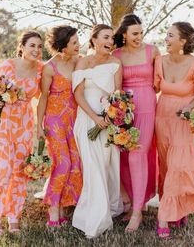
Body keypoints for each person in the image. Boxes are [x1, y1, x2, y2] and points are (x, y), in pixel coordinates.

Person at [154, 21, 194, 238]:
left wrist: (189, 107)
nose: (166, 39)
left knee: (178, 166)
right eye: (166, 34)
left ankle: (163, 219)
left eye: (170, 35)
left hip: (183, 121)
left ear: (183, 41)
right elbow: (153, 87)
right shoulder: (159, 61)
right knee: (165, 166)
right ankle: (177, 210)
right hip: (161, 119)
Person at [0, 30, 43, 236]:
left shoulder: (41, 70)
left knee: (19, 172)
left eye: (39, 46)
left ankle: (13, 215)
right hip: (3, 124)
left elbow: (44, 96)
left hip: (24, 126)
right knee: (1, 171)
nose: (36, 50)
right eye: (32, 45)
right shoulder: (5, 66)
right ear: (22, 47)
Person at [72, 24, 123, 238]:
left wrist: (111, 116)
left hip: (109, 121)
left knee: (107, 165)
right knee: (93, 167)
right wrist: (95, 118)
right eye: (105, 37)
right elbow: (78, 94)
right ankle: (95, 216)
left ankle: (111, 207)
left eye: (112, 38)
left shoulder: (116, 63)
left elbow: (118, 95)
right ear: (93, 40)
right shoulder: (83, 62)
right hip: (87, 119)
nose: (110, 42)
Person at [113, 13, 160, 232]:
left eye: (141, 32)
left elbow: (160, 82)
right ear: (124, 34)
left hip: (147, 105)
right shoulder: (116, 55)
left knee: (138, 154)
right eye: (134, 33)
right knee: (124, 155)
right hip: (124, 108)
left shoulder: (152, 51)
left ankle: (138, 213)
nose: (139, 37)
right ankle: (132, 204)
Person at [37, 25, 83, 227]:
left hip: (75, 119)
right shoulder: (49, 67)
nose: (78, 45)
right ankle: (53, 209)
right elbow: (43, 98)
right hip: (55, 121)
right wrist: (39, 125)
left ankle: (65, 205)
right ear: (63, 46)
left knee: (75, 163)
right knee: (62, 164)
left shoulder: (78, 61)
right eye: (74, 42)